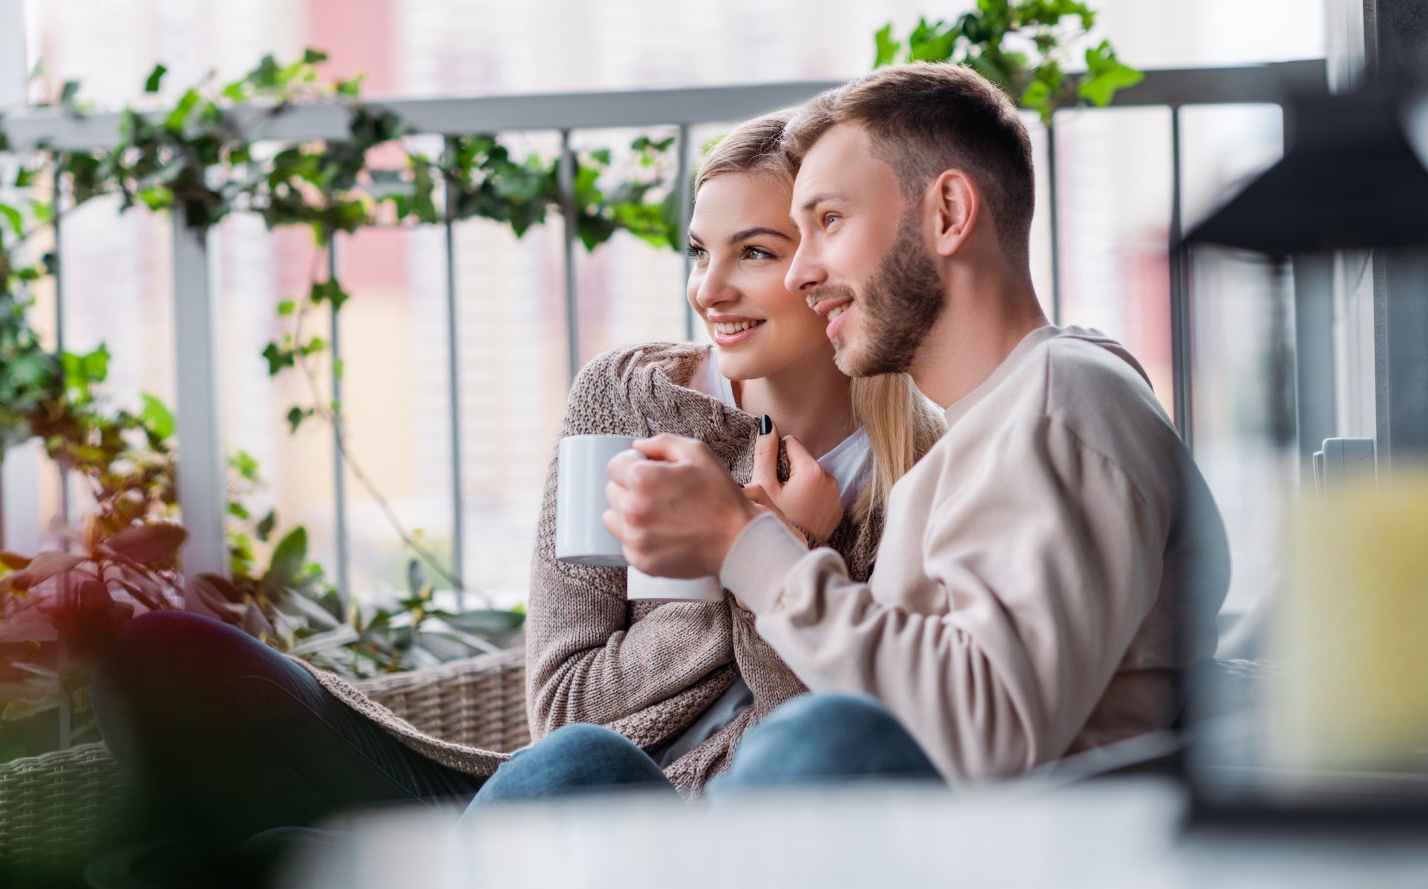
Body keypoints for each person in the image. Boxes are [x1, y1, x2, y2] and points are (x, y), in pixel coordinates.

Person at [89, 112, 944, 886]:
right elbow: (563, 701)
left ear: (831, 266)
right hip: (518, 804)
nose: (707, 289)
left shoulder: (918, 471)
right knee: (163, 658)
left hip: (677, 843)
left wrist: (770, 567)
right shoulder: (627, 400)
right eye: (698, 250)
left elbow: (814, 777)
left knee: (587, 767)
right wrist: (731, 556)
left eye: (752, 252)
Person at [490, 61, 1230, 796]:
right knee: (581, 761)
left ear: (947, 214)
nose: (804, 272)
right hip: (887, 830)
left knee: (805, 739)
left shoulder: (1057, 400)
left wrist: (749, 547)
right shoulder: (998, 427)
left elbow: (975, 732)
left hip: (1011, 844)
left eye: (828, 223)